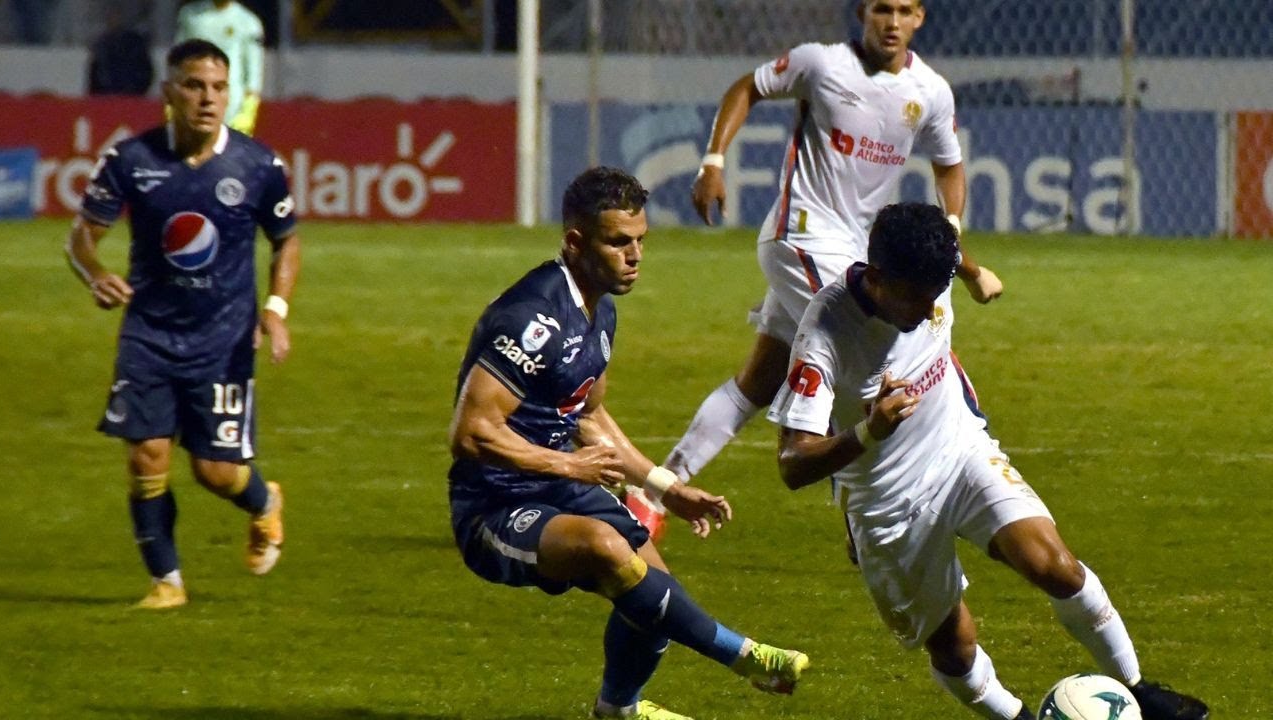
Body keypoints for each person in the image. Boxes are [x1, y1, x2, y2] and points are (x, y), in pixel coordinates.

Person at [766, 202, 1208, 720]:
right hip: (887, 501)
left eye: (938, 292)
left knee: (1056, 566)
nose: (928, 309)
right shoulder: (825, 333)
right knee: (954, 646)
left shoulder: (928, 276)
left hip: (959, 451)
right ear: (879, 278)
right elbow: (793, 462)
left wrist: (973, 274)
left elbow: (948, 244)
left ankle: (1137, 688)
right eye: (915, 298)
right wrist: (870, 430)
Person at [627, 0, 1005, 538]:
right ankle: (871, 504)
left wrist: (957, 246)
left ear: (920, 17)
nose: (891, 22)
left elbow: (949, 165)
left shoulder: (930, 92)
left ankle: (652, 494)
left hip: (854, 253)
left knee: (755, 385)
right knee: (890, 350)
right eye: (880, 9)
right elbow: (746, 88)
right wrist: (712, 162)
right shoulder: (821, 64)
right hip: (800, 237)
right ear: (861, 13)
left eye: (903, 10)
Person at [448, 166, 809, 720]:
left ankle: (617, 710)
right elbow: (471, 431)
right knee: (606, 548)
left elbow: (589, 416)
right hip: (494, 507)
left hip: (560, 484)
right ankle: (742, 654)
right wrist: (567, 468)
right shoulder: (531, 318)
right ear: (575, 242)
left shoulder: (600, 309)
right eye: (619, 242)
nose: (635, 255)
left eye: (640, 240)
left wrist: (666, 486)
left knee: (654, 592)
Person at [66, 38, 301, 610]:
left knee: (216, 472)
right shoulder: (130, 160)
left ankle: (264, 503)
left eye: (219, 87)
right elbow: (81, 237)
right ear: (169, 91)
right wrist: (94, 272)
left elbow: (286, 242)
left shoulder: (258, 165)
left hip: (222, 341)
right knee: (146, 454)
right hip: (148, 334)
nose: (208, 98)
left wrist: (275, 310)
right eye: (195, 85)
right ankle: (166, 582)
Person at [174, 0, 264, 134]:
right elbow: (178, 59)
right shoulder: (191, 16)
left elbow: (254, 69)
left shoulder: (248, 22)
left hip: (233, 103)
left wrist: (248, 108)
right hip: (194, 98)